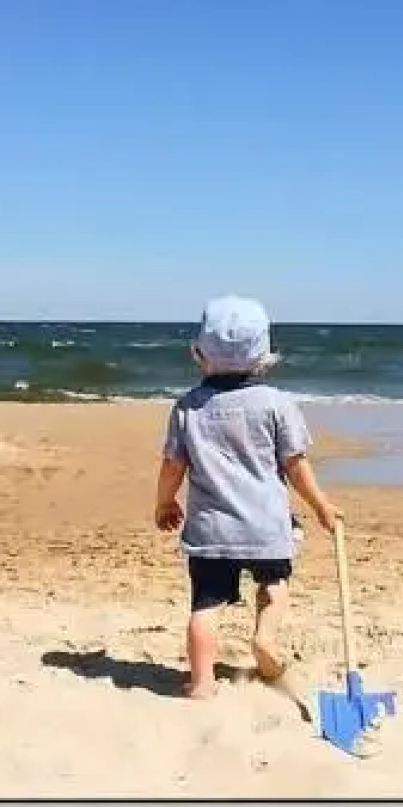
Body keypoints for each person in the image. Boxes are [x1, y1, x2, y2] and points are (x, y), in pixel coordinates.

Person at [154, 295, 342, 700]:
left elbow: (173, 466)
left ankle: (203, 683)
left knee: (205, 605)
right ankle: (265, 639)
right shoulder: (277, 404)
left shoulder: (188, 407)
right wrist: (321, 506)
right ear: (263, 358)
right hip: (266, 525)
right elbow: (295, 464)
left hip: (211, 531)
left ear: (199, 353)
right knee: (274, 584)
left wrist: (164, 503)